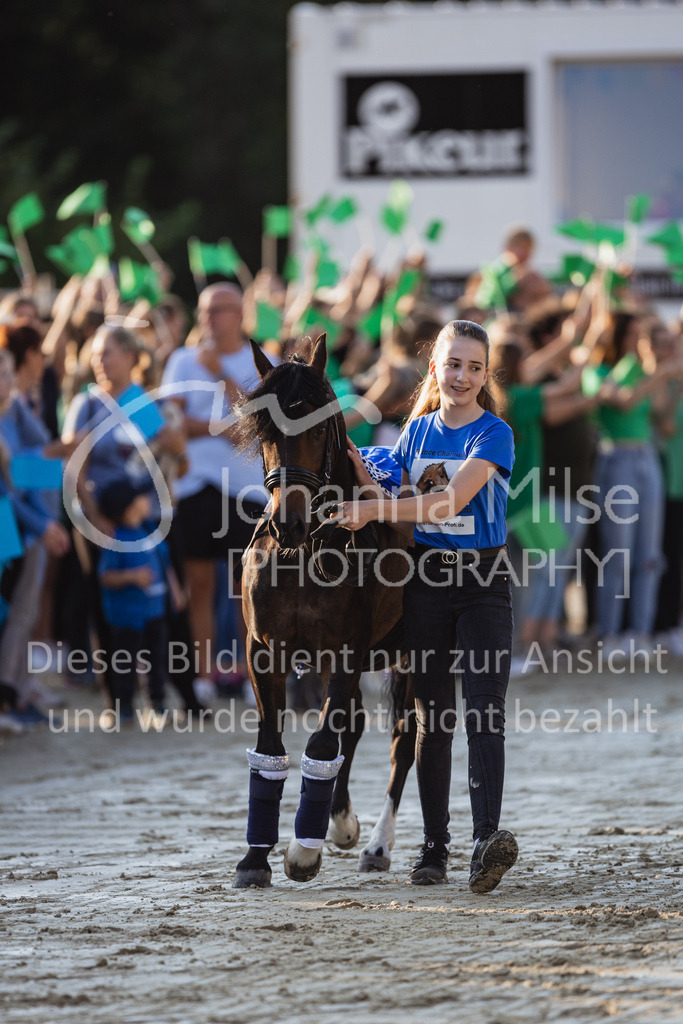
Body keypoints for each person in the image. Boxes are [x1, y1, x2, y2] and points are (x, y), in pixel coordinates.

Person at [329, 320, 518, 893]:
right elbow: (394, 493)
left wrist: (376, 512)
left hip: (484, 583)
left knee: (484, 713)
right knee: (431, 719)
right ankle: (434, 847)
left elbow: (450, 501)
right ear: (435, 368)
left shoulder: (495, 434)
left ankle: (487, 841)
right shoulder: (412, 434)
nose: (462, 376)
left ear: (486, 375)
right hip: (426, 583)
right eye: (452, 364)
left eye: (474, 367)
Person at [161, 283, 265, 700]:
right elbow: (171, 422)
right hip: (195, 486)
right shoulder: (182, 360)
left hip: (248, 491)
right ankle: (204, 675)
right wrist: (220, 429)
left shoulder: (260, 359)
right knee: (199, 584)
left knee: (247, 587)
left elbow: (260, 423)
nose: (208, 318)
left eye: (218, 310)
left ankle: (247, 672)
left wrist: (220, 374)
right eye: (203, 310)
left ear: (239, 313)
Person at [97, 481, 182, 721]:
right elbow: (105, 576)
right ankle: (123, 705)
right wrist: (132, 577)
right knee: (125, 659)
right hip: (126, 615)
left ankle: (157, 702)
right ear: (128, 508)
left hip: (154, 610)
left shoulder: (149, 530)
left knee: (157, 657)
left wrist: (175, 591)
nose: (147, 502)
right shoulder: (116, 539)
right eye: (141, 499)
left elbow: (165, 563)